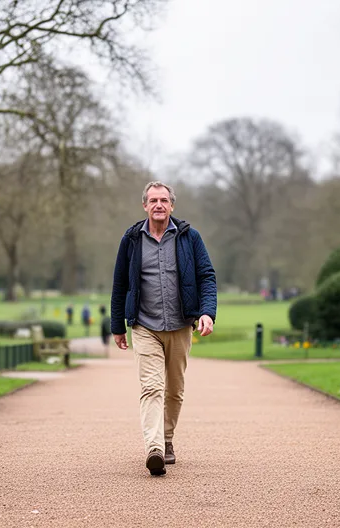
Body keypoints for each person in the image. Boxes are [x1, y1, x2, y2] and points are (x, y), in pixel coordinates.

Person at [110, 181, 217, 476]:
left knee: (175, 390)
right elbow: (120, 284)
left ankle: (167, 439)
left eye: (164, 200)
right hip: (145, 326)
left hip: (181, 325)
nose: (159, 205)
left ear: (172, 205)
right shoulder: (131, 240)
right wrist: (117, 324)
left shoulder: (189, 237)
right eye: (153, 200)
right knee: (151, 387)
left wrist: (208, 312)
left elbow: (207, 275)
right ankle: (154, 447)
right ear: (144, 205)